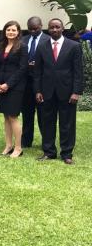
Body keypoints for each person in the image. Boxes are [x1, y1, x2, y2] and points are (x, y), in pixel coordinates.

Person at [34, 18, 83, 165]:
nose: (54, 30)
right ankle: (49, 152)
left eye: (57, 27)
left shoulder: (74, 46)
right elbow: (37, 72)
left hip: (67, 92)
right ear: (48, 29)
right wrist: (37, 90)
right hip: (47, 91)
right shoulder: (42, 46)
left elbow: (78, 71)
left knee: (67, 123)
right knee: (47, 122)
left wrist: (76, 92)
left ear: (62, 29)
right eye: (51, 27)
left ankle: (67, 154)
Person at [0, 21, 28, 158]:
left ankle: (18, 148)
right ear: (5, 31)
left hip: (15, 87)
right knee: (6, 116)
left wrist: (8, 84)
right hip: (1, 86)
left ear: (18, 32)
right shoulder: (1, 46)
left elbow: (22, 68)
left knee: (13, 116)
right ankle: (8, 145)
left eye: (14, 30)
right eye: (8, 30)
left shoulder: (22, 47)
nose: (11, 32)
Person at [20, 16, 49, 148]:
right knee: (27, 113)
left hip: (42, 83)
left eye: (35, 29)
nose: (33, 31)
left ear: (41, 26)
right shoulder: (23, 40)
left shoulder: (48, 40)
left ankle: (46, 141)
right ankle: (26, 141)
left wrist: (37, 65)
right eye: (30, 29)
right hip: (26, 83)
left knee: (43, 115)